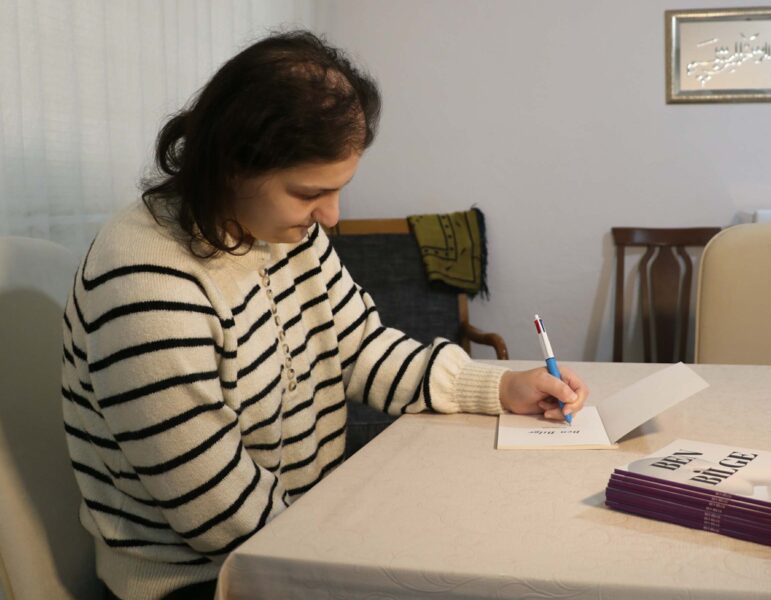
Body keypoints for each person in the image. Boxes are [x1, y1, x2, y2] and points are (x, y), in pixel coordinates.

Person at [60, 30, 588, 600]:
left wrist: (500, 387)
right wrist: (370, 554)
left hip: (301, 531)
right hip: (209, 579)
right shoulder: (145, 281)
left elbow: (359, 347)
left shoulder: (283, 231)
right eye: (309, 192)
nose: (332, 216)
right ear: (232, 165)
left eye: (339, 189)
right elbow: (222, 518)